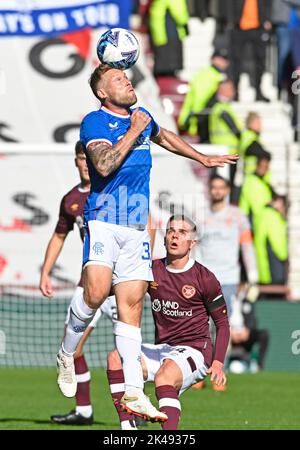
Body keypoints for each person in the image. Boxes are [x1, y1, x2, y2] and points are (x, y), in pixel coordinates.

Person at [56, 64, 238, 422]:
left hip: (137, 226)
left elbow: (165, 135)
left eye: (126, 76)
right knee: (94, 292)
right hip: (106, 218)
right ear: (103, 93)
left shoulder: (143, 116)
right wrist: (134, 130)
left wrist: (201, 157)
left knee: (132, 306)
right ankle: (65, 352)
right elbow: (104, 166)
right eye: (117, 79)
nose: (127, 80)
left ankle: (135, 392)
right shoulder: (95, 122)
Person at [107, 215, 230, 430]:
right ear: (164, 239)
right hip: (163, 349)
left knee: (165, 376)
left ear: (193, 243)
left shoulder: (204, 278)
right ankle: (129, 430)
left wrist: (218, 362)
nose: (175, 236)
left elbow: (222, 323)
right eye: (171, 231)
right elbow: (118, 287)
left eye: (182, 233)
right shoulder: (151, 270)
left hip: (195, 351)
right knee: (116, 358)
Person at [40, 141, 117, 425]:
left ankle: (135, 408)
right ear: (76, 161)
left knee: (127, 349)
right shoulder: (71, 199)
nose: (86, 163)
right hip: (88, 283)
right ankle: (83, 410)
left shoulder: (112, 189)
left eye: (90, 158)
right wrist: (45, 272)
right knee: (72, 347)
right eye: (82, 159)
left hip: (119, 283)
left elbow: (143, 222)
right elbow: (59, 236)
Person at [195, 175, 258, 319]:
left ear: (227, 190)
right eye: (214, 188)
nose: (217, 191)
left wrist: (253, 275)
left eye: (221, 188)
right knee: (203, 323)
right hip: (206, 280)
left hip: (229, 278)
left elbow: (247, 246)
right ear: (209, 190)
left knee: (226, 323)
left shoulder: (237, 215)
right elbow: (193, 248)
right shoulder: (199, 215)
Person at [178, 49, 229, 142]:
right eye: (220, 59)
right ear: (213, 59)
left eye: (225, 59)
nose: (224, 62)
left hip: (200, 116)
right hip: (201, 118)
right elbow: (200, 100)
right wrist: (197, 117)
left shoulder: (212, 74)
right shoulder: (210, 75)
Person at [228, 0, 272, 102]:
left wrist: (267, 19)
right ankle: (235, 92)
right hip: (239, 27)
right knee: (236, 61)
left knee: (260, 61)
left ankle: (258, 91)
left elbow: (268, 3)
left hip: (259, 27)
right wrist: (231, 19)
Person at [208, 80, 243, 186]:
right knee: (224, 185)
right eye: (231, 89)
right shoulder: (221, 108)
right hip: (224, 153)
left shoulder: (224, 107)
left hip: (228, 152)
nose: (234, 92)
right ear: (223, 90)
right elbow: (235, 129)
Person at [254, 194, 288, 285]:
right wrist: (287, 256)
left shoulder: (263, 213)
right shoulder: (271, 216)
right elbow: (279, 247)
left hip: (263, 267)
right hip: (273, 267)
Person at [239, 153, 273, 231]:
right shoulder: (251, 180)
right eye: (261, 166)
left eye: (266, 167)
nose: (263, 169)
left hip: (261, 220)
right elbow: (256, 206)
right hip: (252, 219)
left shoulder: (263, 182)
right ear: (256, 166)